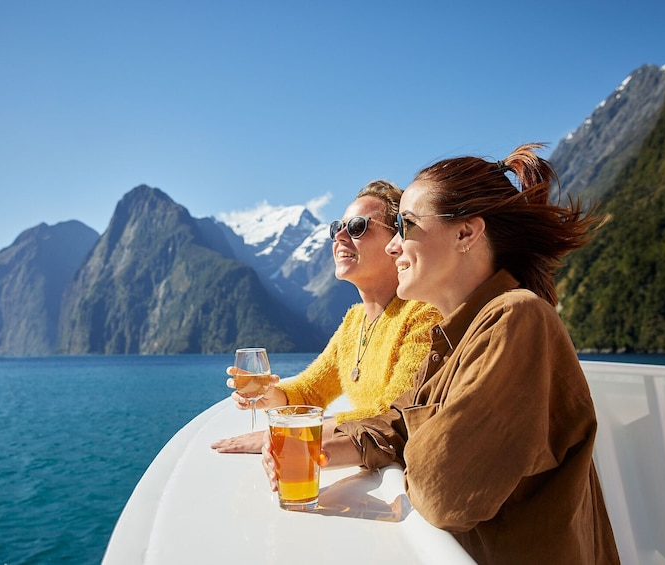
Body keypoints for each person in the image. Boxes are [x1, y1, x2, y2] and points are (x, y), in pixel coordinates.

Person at [262, 144, 620, 564]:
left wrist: (409, 442)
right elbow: (398, 422)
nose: (394, 246)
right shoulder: (457, 334)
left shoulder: (516, 319)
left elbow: (442, 492)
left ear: (466, 234)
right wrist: (317, 448)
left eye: (406, 226)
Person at [211, 180, 441, 453]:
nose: (340, 236)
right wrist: (273, 396)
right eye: (336, 228)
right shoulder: (354, 322)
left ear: (396, 240)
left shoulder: (423, 314)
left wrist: (286, 433)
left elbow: (392, 413)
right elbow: (312, 391)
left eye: (357, 226)